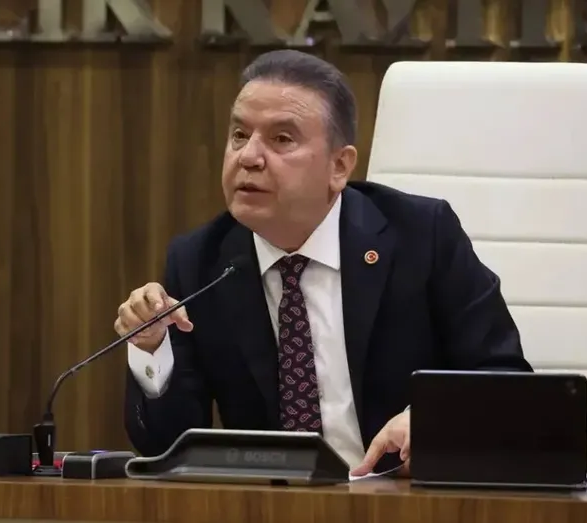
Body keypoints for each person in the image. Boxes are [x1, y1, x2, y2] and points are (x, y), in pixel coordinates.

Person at [116, 50, 532, 477]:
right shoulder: (201, 261)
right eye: (239, 134)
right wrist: (152, 349)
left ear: (339, 166)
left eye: (282, 139)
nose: (249, 157)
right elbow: (167, 449)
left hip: (404, 495)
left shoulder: (422, 236)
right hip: (274, 503)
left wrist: (435, 417)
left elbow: (506, 379)